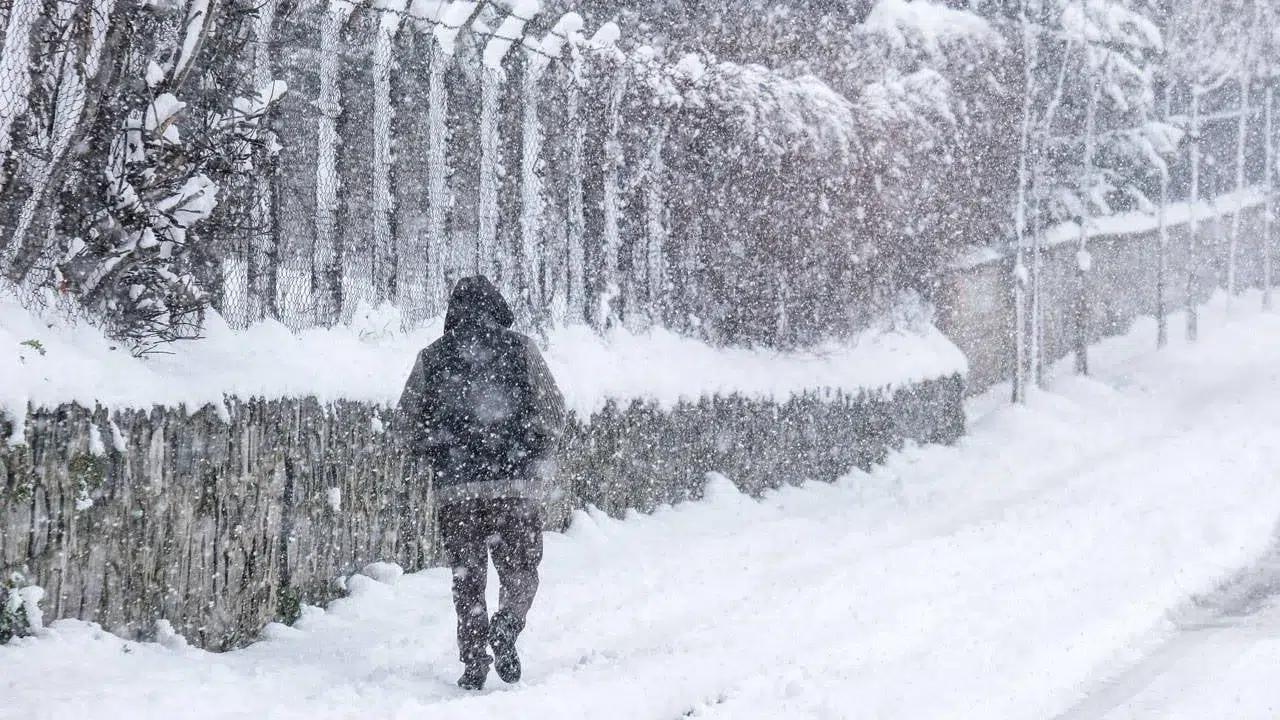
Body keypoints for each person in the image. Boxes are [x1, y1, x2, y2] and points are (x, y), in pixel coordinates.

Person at [397, 275, 566, 691]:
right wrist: (535, 451)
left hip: (457, 491)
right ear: (498, 307)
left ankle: (474, 661)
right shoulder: (521, 349)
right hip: (516, 488)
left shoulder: (432, 358)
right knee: (522, 572)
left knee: (467, 578)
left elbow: (404, 423)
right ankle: (506, 628)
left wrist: (437, 448)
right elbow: (554, 411)